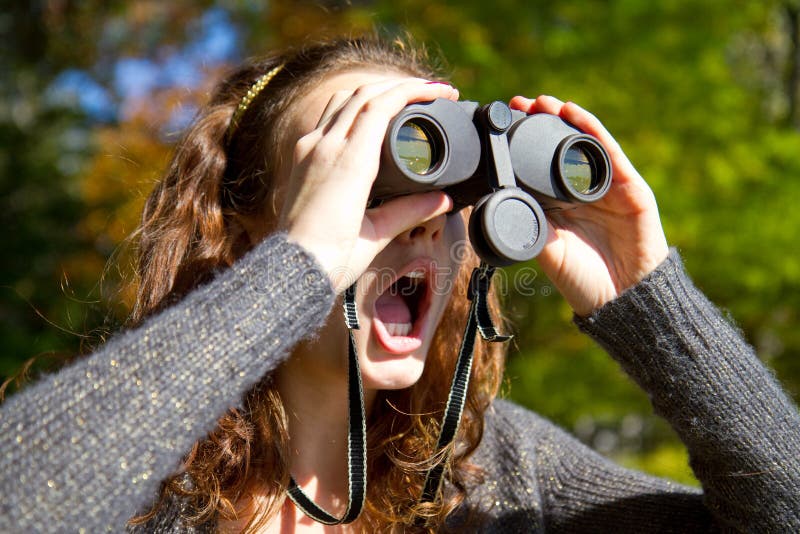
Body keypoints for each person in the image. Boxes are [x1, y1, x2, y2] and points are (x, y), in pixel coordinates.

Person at [1, 35, 799, 533]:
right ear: (247, 234)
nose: (422, 223)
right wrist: (299, 269)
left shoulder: (495, 475)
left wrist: (651, 300)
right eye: (363, 187)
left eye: (445, 189)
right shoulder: (144, 471)